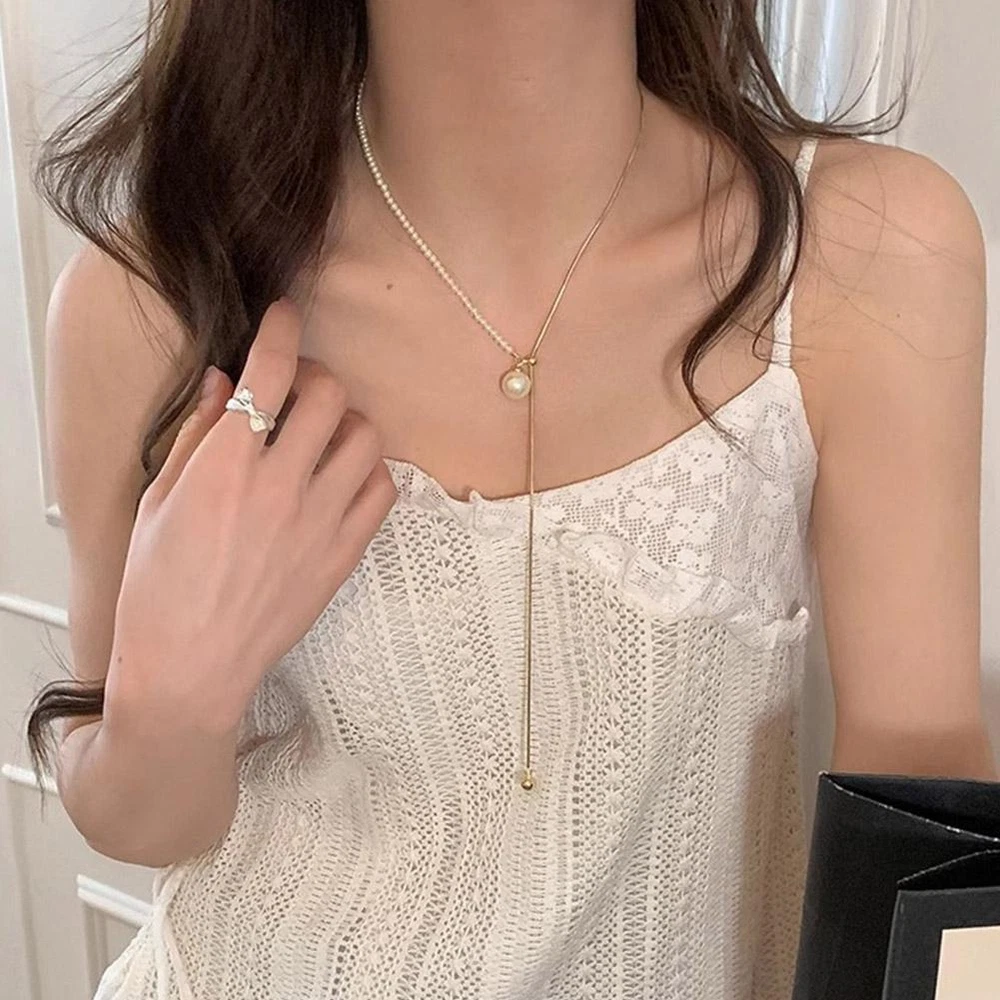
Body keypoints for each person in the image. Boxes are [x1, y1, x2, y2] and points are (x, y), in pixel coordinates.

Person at [24, 2, 996, 998]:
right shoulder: (149, 300)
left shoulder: (865, 251)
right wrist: (173, 699)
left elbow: (924, 829)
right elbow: (140, 821)